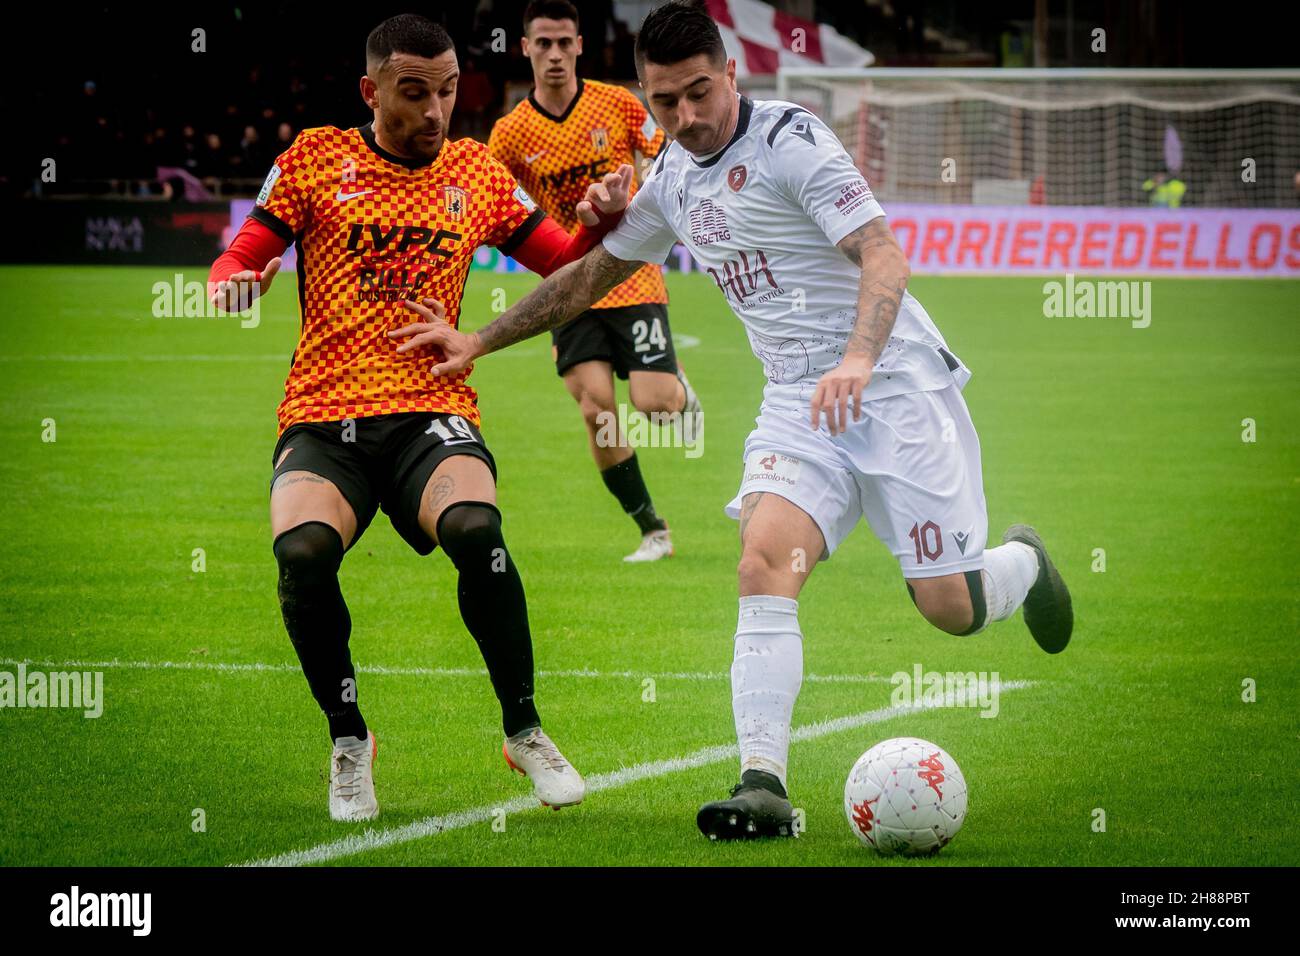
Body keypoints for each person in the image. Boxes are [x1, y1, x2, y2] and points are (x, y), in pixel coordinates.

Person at [393, 0, 1075, 841]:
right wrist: (479, 338)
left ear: (732, 75)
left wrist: (857, 359)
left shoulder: (792, 142)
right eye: (664, 102)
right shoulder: (673, 178)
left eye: (698, 93)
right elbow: (587, 277)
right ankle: (763, 786)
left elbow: (882, 253)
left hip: (893, 386)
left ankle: (1024, 566)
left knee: (949, 607)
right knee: (762, 564)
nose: (685, 117)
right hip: (799, 404)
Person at [207, 13, 634, 822]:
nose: (436, 111)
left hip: (432, 406)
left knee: (476, 529)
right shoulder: (316, 158)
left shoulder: (474, 170)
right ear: (372, 91)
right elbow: (243, 250)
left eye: (447, 92)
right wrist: (232, 279)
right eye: (414, 93)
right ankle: (347, 739)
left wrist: (605, 220)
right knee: (301, 553)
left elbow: (568, 266)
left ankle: (524, 729)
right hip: (324, 409)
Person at [488, 0, 701, 562]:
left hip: (629, 273)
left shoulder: (617, 103)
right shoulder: (509, 135)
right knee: (596, 410)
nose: (554, 54)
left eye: (564, 43)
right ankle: (652, 527)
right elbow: (488, 202)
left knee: (654, 404)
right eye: (543, 43)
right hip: (570, 284)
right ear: (525, 48)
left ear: (580, 45)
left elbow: (664, 154)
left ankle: (681, 394)